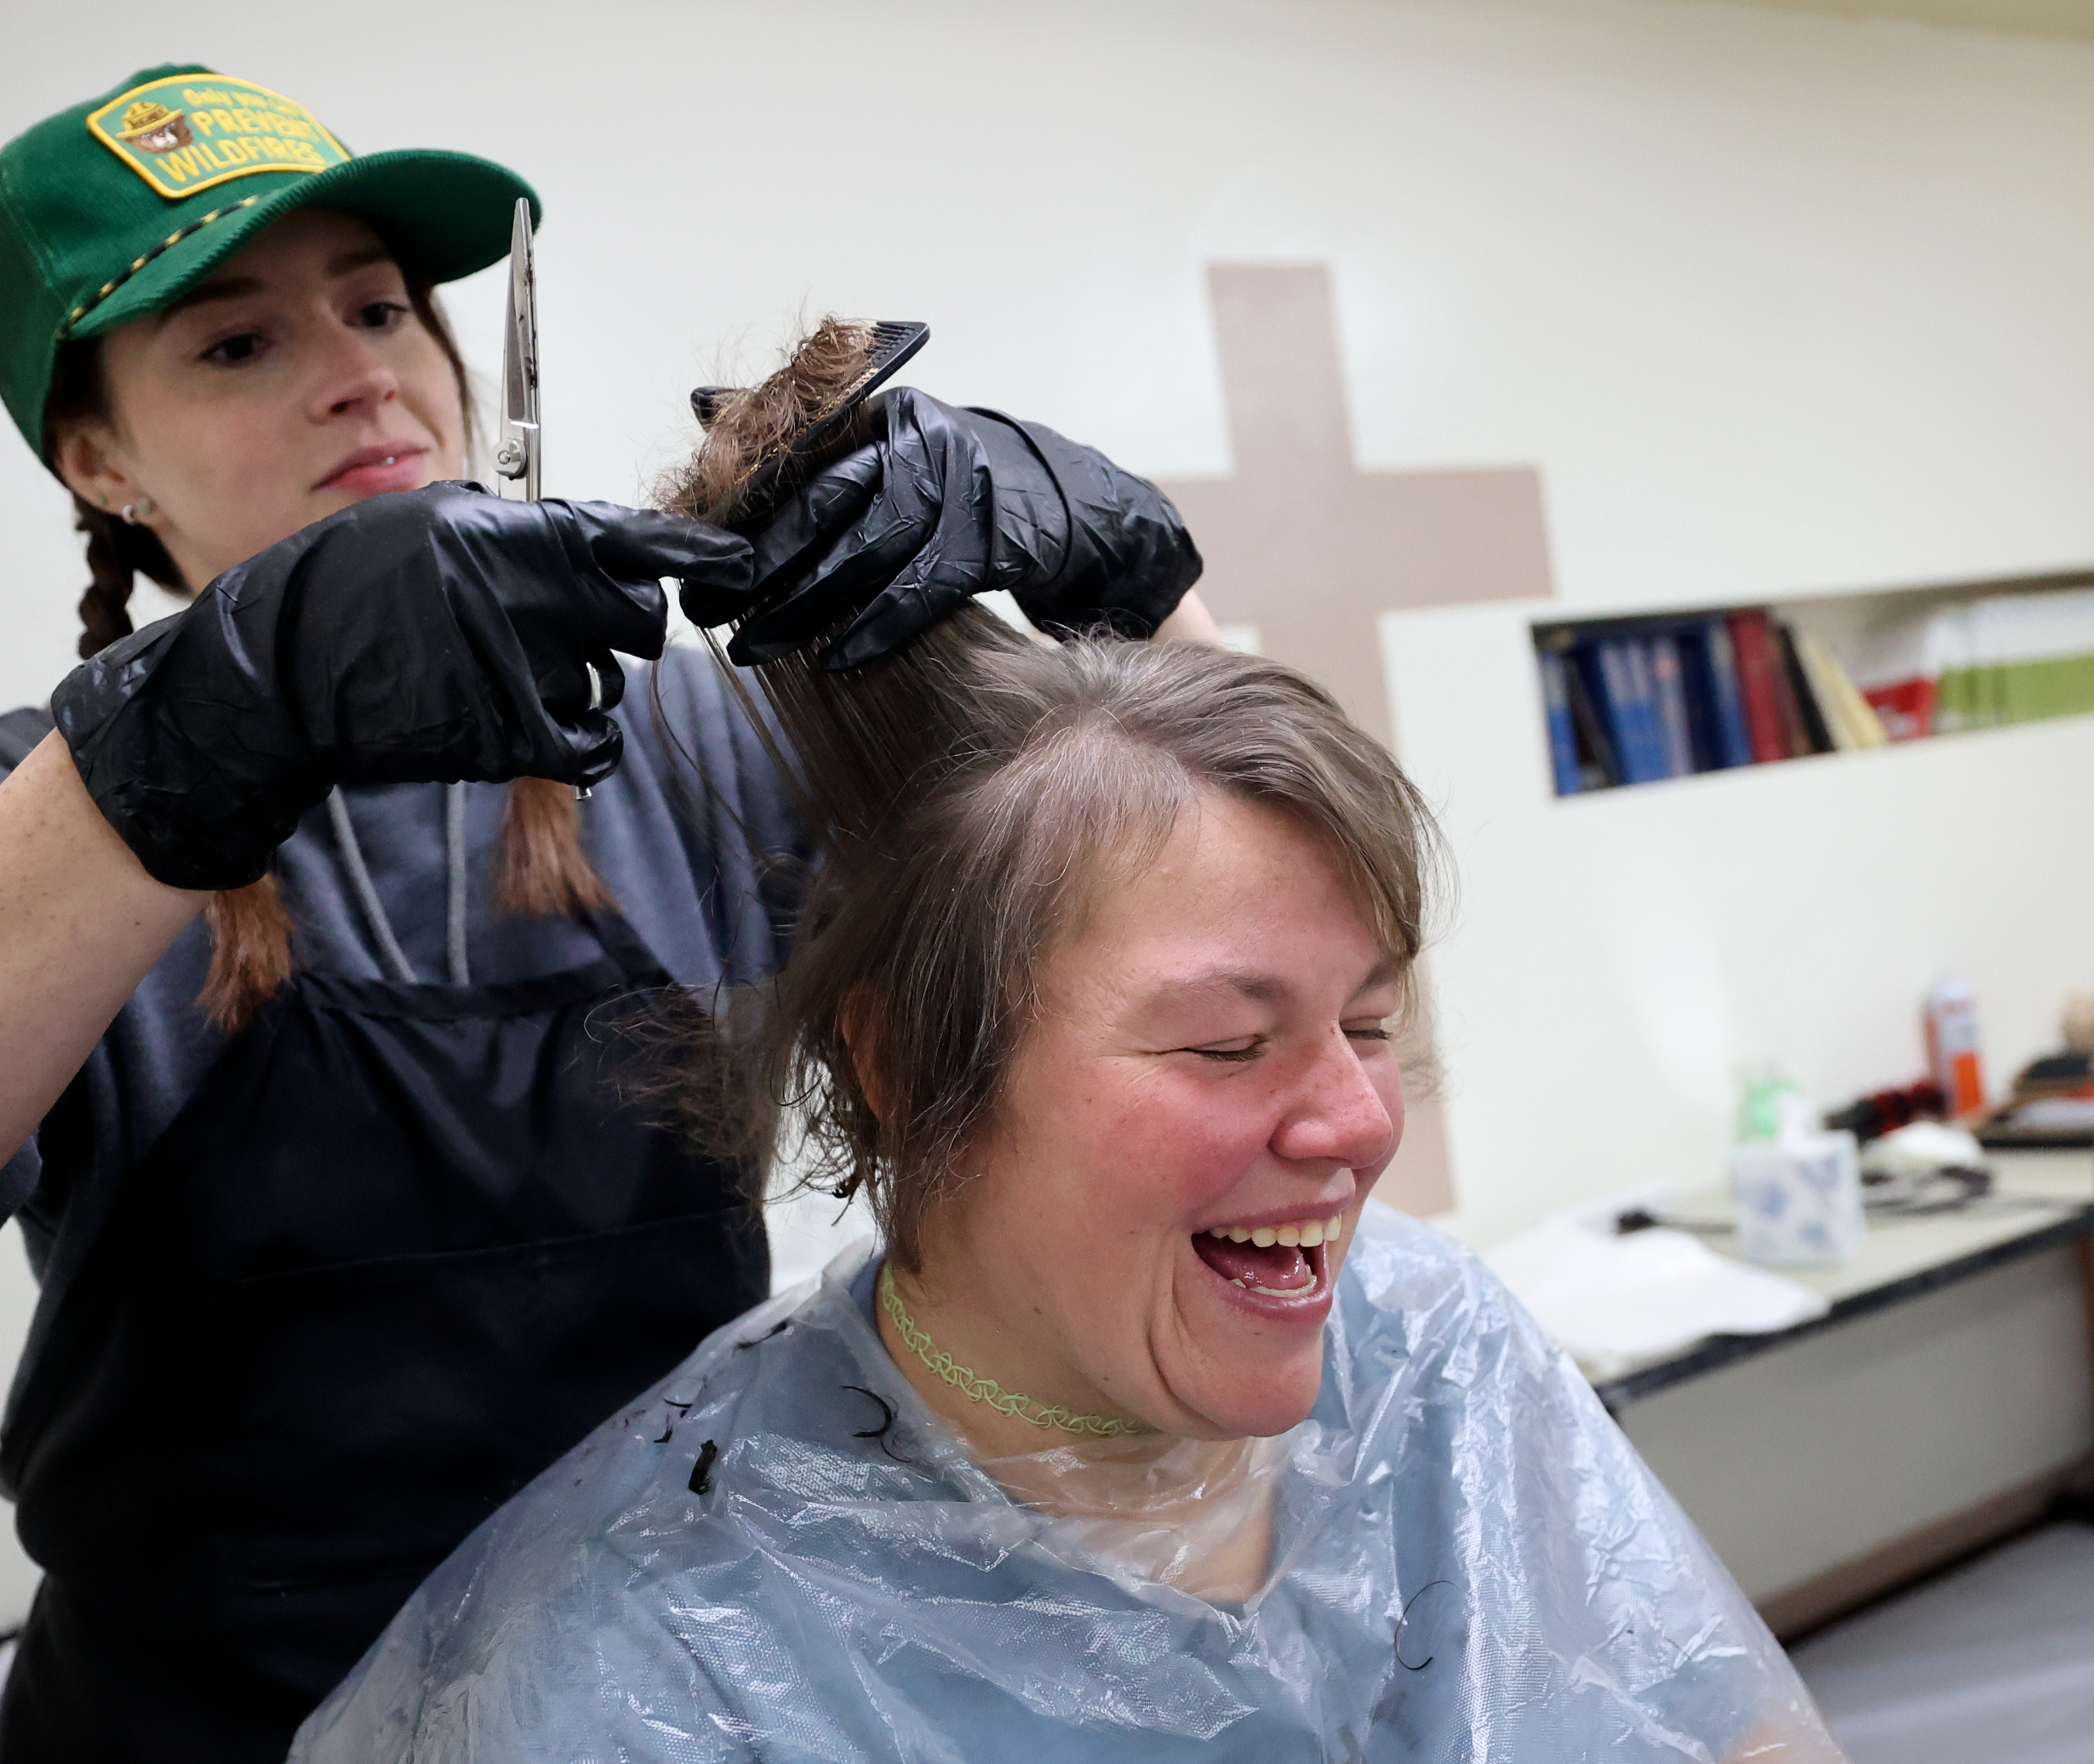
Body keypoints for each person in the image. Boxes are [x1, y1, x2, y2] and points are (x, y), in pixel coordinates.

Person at [0, 69, 1214, 1761]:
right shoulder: (19, 818)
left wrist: (1131, 597)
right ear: (100, 458)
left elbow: (1253, 940)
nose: (363, 375)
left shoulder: (700, 740)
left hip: (653, 1706)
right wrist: (183, 742)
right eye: (236, 342)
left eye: (382, 305)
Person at [289, 335, 1845, 1762]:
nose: (1361, 1124)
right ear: (902, 1066)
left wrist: (1154, 600)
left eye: (1368, 1022)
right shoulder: (659, 1660)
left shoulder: (1425, 1351)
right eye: (1233, 1045)